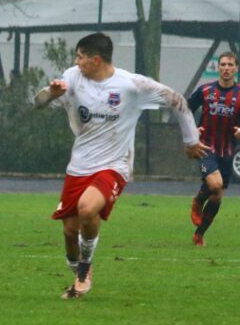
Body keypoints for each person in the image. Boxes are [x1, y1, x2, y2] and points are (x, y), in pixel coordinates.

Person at [33, 33, 209, 299]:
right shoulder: (72, 77)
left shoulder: (131, 85)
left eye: (80, 56)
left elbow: (178, 101)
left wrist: (190, 141)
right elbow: (38, 103)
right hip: (80, 165)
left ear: (96, 59)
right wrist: (50, 92)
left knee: (87, 208)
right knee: (70, 231)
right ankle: (78, 269)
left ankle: (84, 270)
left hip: (114, 165)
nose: (76, 61)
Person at [187, 51, 240, 246]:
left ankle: (199, 234)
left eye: (230, 65)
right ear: (218, 67)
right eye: (223, 64)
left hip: (227, 151)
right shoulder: (205, 90)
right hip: (206, 147)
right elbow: (185, 109)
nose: (226, 68)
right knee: (215, 185)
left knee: (217, 196)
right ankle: (198, 201)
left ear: (236, 68)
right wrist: (193, 129)